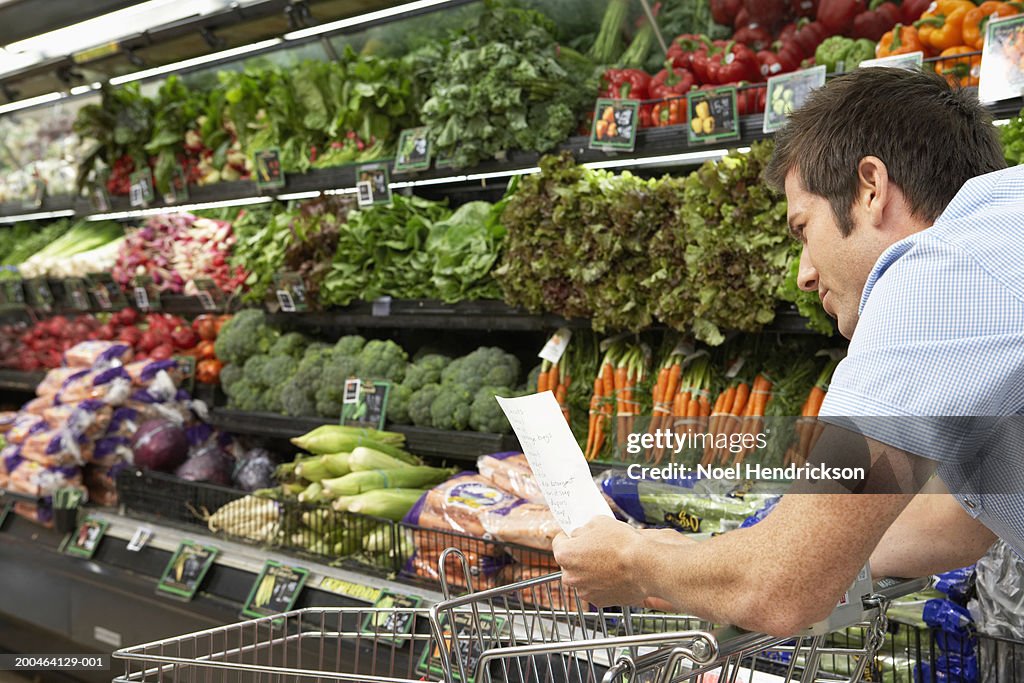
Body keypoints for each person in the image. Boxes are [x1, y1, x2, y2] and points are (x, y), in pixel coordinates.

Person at [552, 67, 1023, 638]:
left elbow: (781, 589)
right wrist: (739, 552)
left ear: (871, 187)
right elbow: (959, 520)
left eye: (803, 229)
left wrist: (632, 561)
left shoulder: (945, 274)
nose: (804, 274)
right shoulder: (996, 241)